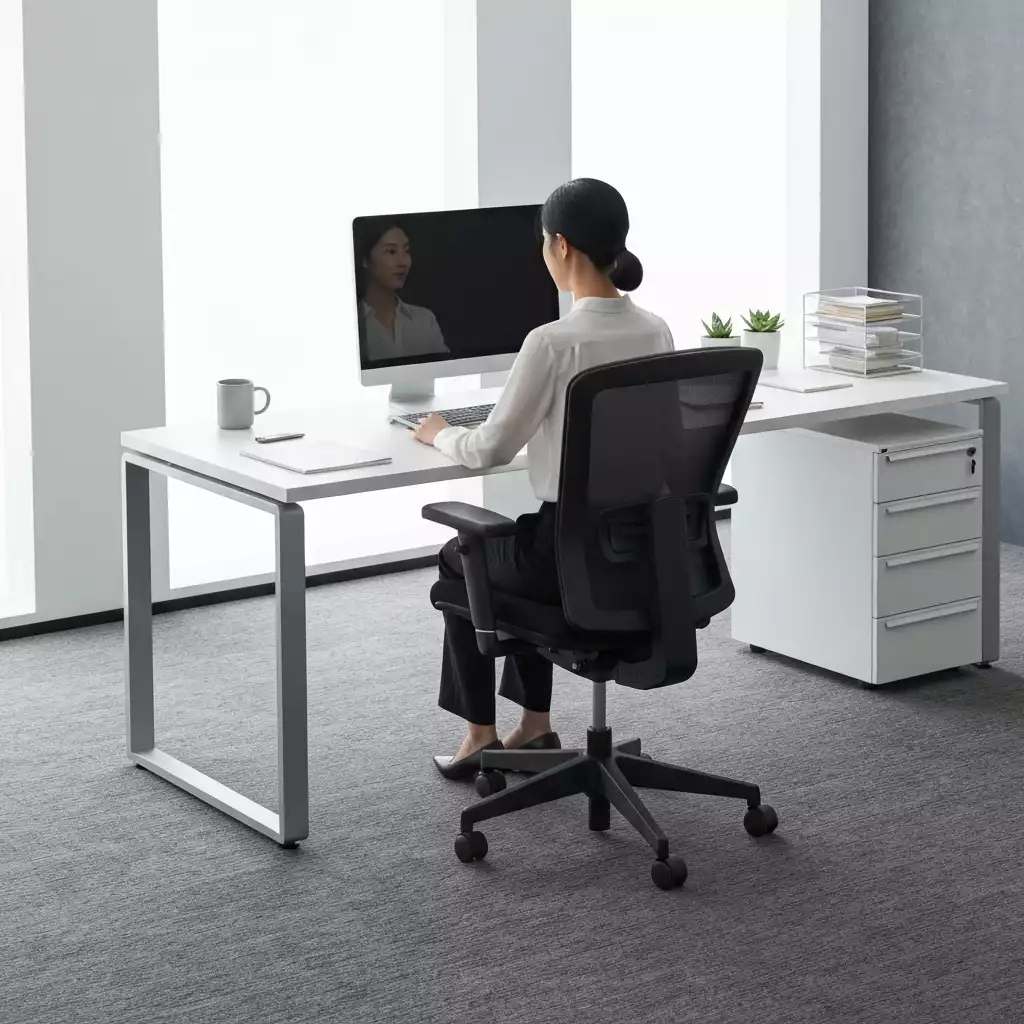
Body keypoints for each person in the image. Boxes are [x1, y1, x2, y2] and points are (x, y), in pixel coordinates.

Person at [412, 178, 675, 779]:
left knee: (464, 556)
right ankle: (533, 726)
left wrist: (437, 432)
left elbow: (487, 449)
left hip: (565, 556)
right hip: (640, 550)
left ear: (560, 246)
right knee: (513, 544)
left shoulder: (552, 342)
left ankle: (481, 735)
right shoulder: (655, 329)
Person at [355, 217, 448, 361]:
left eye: (406, 251)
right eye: (391, 252)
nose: (403, 262)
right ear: (365, 260)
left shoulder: (424, 320)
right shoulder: (355, 325)